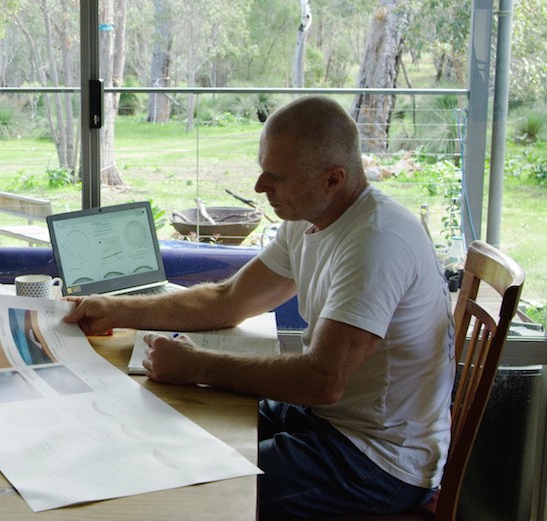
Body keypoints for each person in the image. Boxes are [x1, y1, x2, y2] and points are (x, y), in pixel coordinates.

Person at [63, 95, 455, 518]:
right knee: (170, 429)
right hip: (327, 421)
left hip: (377, 460)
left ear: (333, 179)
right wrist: (116, 309)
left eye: (277, 177)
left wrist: (196, 365)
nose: (258, 187)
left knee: (194, 488)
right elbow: (227, 300)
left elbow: (323, 380)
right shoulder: (307, 219)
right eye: (262, 169)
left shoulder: (376, 242)